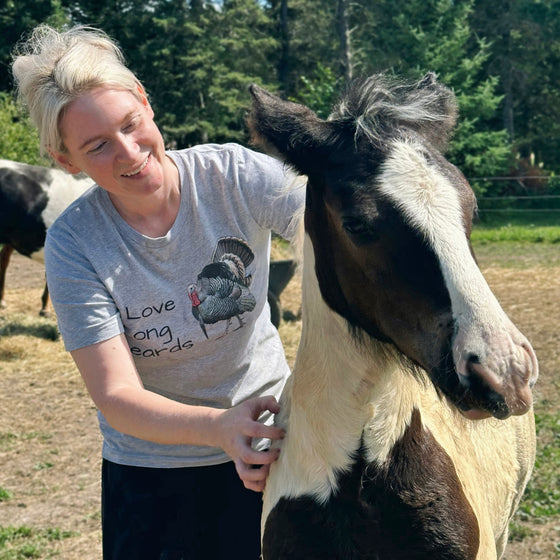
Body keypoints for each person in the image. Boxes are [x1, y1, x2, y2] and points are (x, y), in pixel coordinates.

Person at [12, 24, 304, 560]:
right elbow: (117, 397)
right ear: (65, 160)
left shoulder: (233, 176)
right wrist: (219, 428)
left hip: (272, 450)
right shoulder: (75, 244)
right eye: (97, 146)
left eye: (131, 124)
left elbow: (339, 223)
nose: (128, 153)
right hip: (153, 476)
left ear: (146, 103)